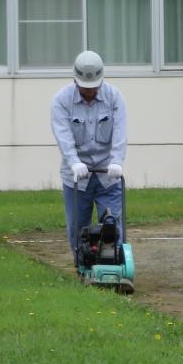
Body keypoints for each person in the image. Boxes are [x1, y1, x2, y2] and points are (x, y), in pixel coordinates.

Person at [50, 51, 127, 262]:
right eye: (85, 87)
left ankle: (114, 262)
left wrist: (117, 161)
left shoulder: (114, 97)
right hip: (76, 176)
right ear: (75, 80)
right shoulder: (61, 101)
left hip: (107, 174)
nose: (90, 91)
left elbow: (120, 132)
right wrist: (74, 162)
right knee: (78, 227)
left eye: (94, 87)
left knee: (112, 223)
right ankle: (83, 264)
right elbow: (63, 136)